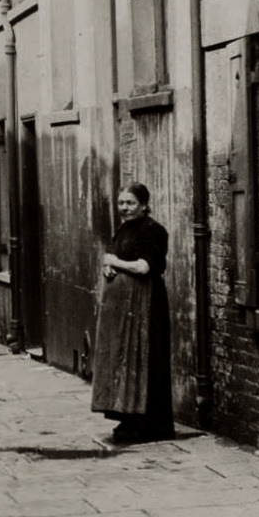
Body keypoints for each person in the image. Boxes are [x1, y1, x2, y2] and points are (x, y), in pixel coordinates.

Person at [90, 182, 175, 444]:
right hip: (126, 309)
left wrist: (113, 261)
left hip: (147, 307)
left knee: (145, 360)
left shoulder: (153, 231)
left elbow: (144, 267)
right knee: (125, 359)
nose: (124, 208)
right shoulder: (125, 230)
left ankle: (149, 424)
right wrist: (110, 269)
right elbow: (120, 260)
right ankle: (129, 417)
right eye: (121, 203)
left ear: (144, 205)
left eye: (130, 203)